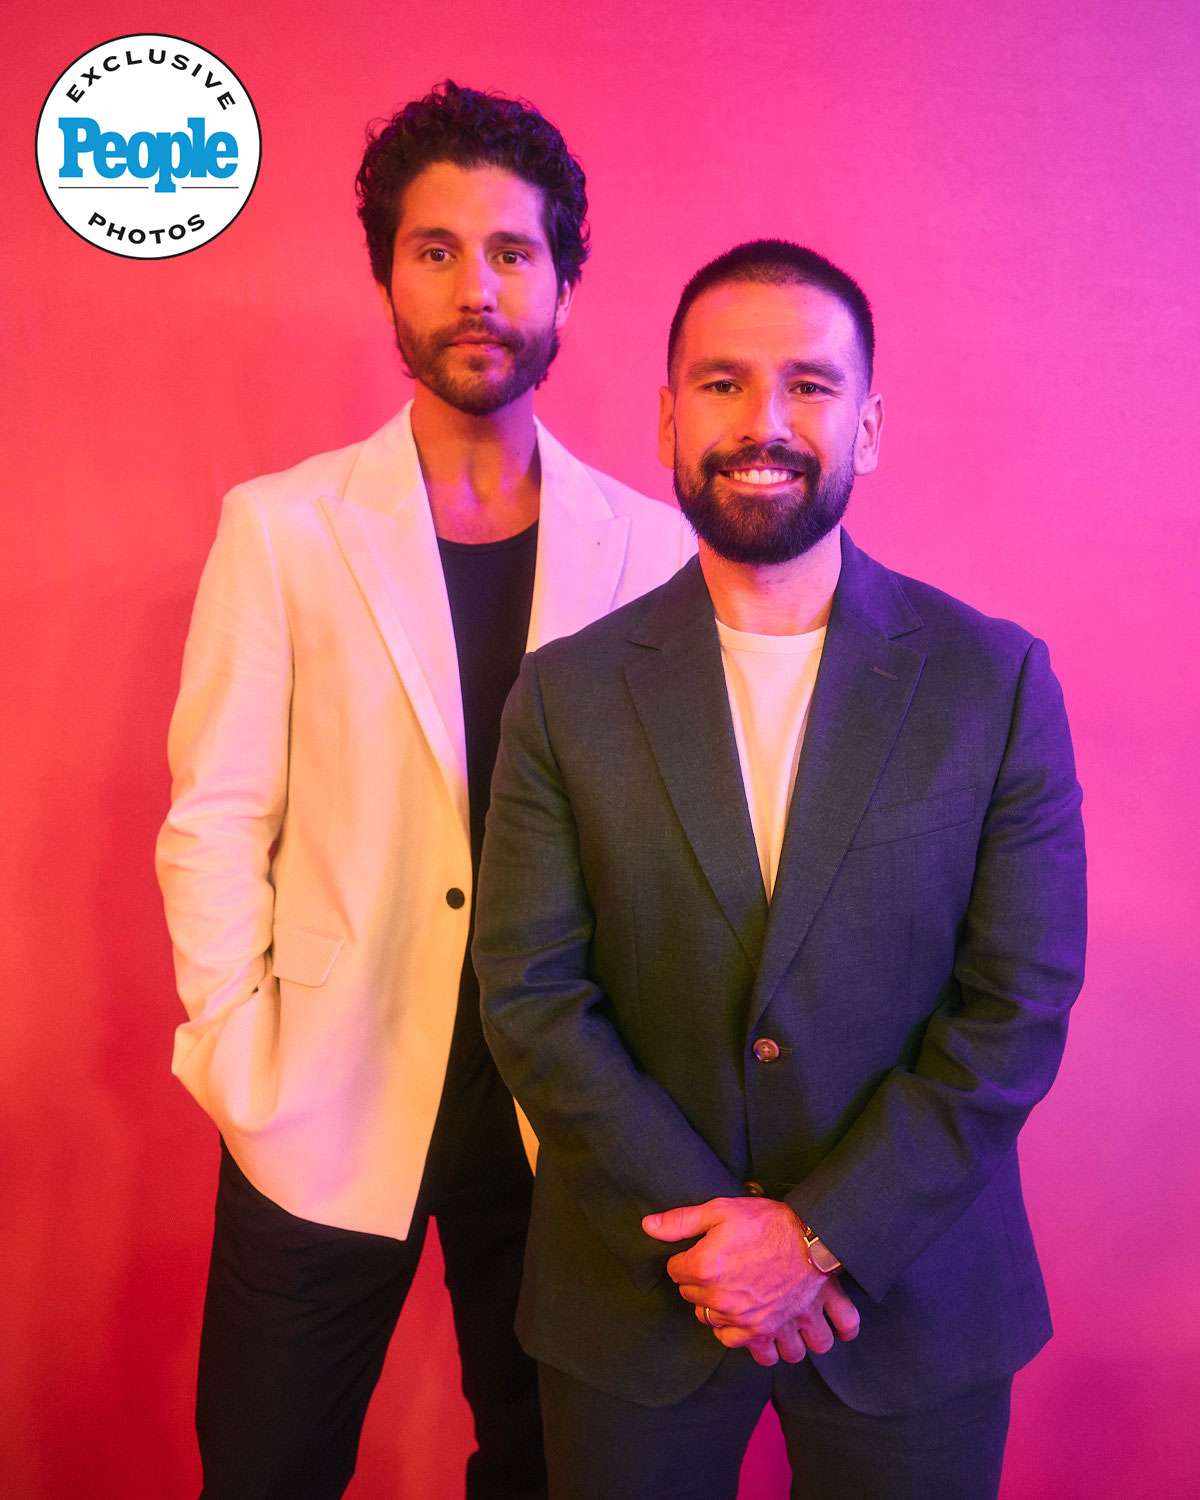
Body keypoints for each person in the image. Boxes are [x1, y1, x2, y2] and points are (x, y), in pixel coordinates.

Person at [473, 239, 1087, 1500]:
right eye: (722, 384)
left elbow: (1016, 1006)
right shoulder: (566, 696)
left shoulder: (994, 680)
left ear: (867, 426)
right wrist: (726, 1242)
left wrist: (816, 1237)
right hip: (638, 1296)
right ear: (665, 417)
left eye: (809, 386)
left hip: (913, 1300)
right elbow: (533, 997)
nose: (766, 423)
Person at [155, 80, 694, 1500]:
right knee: (264, 1467)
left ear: (564, 283)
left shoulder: (646, 550)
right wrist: (235, 1050)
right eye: (436, 250)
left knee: (545, 1469)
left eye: (513, 253)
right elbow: (214, 814)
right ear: (387, 277)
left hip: (562, 1113)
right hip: (324, 1096)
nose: (476, 289)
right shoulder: (281, 529)